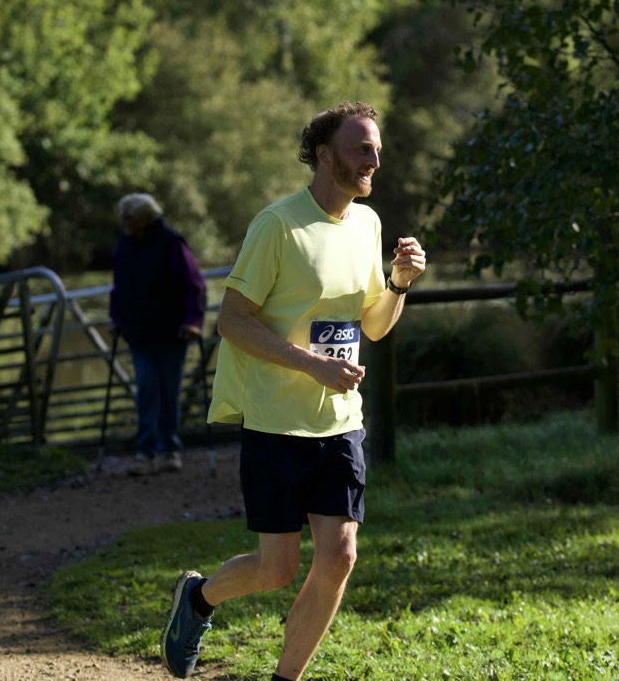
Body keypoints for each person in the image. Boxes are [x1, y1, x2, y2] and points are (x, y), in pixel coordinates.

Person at [160, 101, 427, 680]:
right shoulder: (276, 225)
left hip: (341, 422)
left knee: (340, 557)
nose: (374, 161)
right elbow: (232, 321)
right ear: (324, 155)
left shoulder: (368, 224)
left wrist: (399, 283)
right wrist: (310, 365)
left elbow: (373, 326)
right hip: (276, 422)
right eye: (362, 149)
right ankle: (199, 598)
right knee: (276, 568)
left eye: (377, 150)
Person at [108, 193, 206, 476]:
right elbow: (119, 287)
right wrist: (116, 318)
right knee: (147, 388)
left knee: (168, 391)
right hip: (139, 333)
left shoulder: (172, 243)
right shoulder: (124, 244)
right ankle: (146, 452)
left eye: (128, 217)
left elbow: (194, 285)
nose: (123, 221)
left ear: (143, 219)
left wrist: (192, 321)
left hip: (171, 332)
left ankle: (169, 449)